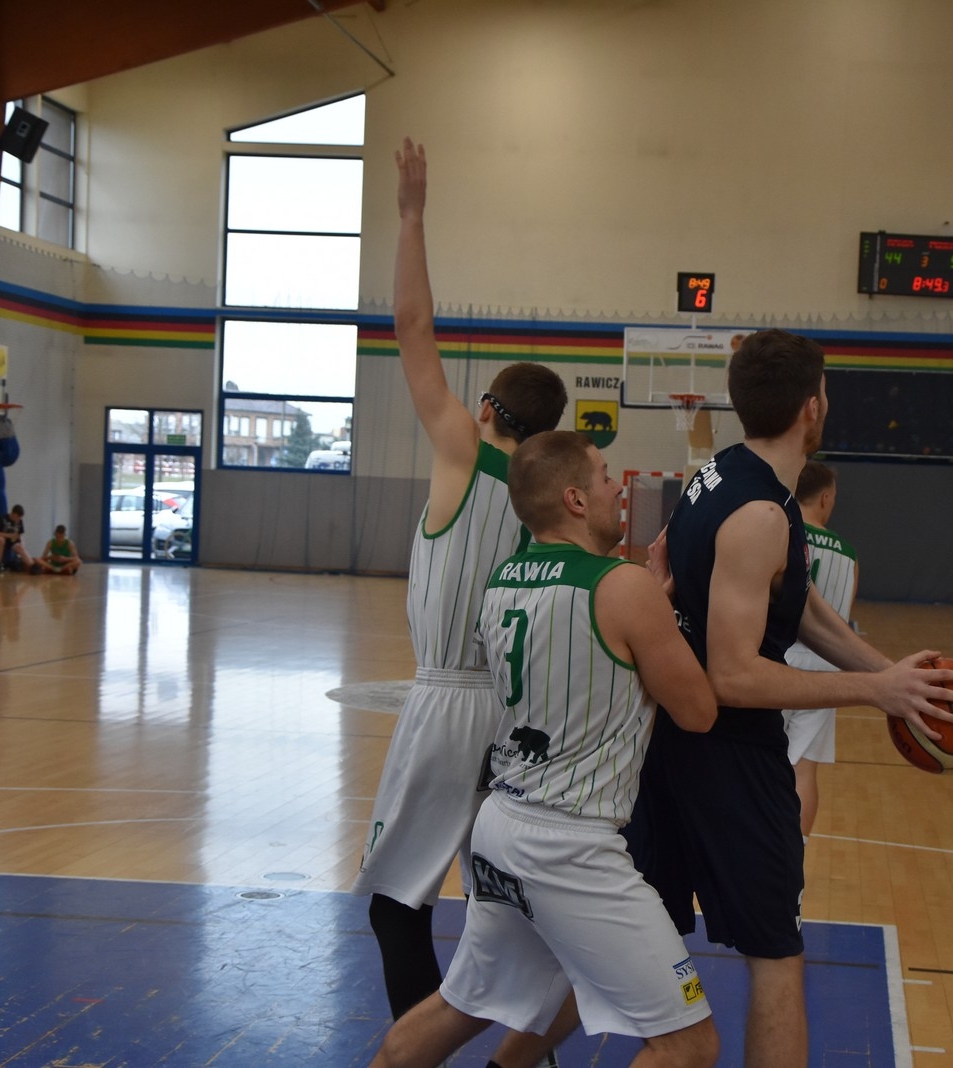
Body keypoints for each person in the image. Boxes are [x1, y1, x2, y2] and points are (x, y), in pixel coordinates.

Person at [625, 328, 953, 1068]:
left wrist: (894, 678)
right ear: (812, 406)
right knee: (776, 956)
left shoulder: (725, 472)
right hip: (728, 759)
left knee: (647, 944)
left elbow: (799, 602)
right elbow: (734, 676)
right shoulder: (761, 514)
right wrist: (872, 690)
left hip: (669, 746)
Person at [371, 432, 719, 1068]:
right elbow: (697, 712)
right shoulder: (624, 588)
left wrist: (647, 611)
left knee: (462, 1006)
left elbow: (590, 641)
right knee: (689, 1044)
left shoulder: (503, 581)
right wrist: (662, 616)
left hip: (503, 824)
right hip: (569, 845)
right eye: (605, 475)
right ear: (575, 499)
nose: (617, 488)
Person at [351, 135, 570, 1049]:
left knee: (396, 903)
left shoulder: (463, 452)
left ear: (485, 410)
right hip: (522, 714)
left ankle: (418, 1051)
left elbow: (411, 328)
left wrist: (411, 216)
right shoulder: (556, 498)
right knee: (502, 902)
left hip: (448, 703)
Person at [780, 461, 858, 841]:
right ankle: (794, 855)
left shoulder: (782, 534)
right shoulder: (849, 553)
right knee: (804, 770)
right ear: (825, 497)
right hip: (825, 671)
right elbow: (843, 622)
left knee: (757, 760)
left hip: (778, 661)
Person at [0, 504, 41, 573]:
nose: (19, 519)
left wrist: (21, 543)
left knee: (20, 548)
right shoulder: (3, 519)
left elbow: (20, 534)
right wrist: (8, 535)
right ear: (13, 514)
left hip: (12, 541)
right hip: (3, 539)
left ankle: (32, 565)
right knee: (0, 539)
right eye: (18, 516)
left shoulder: (19, 521)